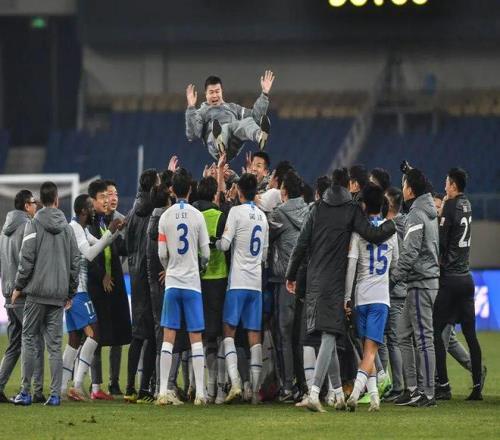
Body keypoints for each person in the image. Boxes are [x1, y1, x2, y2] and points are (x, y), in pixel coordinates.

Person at [286, 168, 395, 413]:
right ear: (347, 186)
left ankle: (336, 393)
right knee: (328, 335)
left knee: (330, 336)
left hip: (314, 281)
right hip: (335, 283)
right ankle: (315, 393)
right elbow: (372, 234)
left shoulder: (316, 209)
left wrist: (291, 276)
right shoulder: (351, 209)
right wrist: (391, 225)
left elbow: (301, 244)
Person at [13, 182, 79, 406]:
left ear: (41, 200)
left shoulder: (33, 224)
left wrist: (18, 286)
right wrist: (70, 291)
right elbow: (75, 262)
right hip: (58, 295)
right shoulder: (67, 229)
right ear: (57, 200)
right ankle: (54, 395)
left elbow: (26, 259)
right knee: (55, 345)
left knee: (29, 339)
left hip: (36, 293)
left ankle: (26, 392)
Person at [156, 169, 211, 406]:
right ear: (190, 189)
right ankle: (200, 394)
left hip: (173, 283)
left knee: (168, 337)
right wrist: (200, 266)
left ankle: (162, 391)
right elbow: (206, 253)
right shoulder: (197, 216)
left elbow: (161, 253)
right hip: (192, 284)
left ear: (172, 190)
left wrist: (169, 268)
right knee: (195, 338)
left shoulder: (165, 217)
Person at [61, 194, 123, 401]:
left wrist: (115, 231)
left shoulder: (82, 229)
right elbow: (89, 254)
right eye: (90, 207)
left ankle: (62, 387)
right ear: (83, 211)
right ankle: (78, 385)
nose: (93, 210)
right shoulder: (74, 229)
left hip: (73, 292)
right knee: (95, 334)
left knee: (74, 339)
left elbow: (101, 244)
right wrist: (109, 234)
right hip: (78, 290)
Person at [344, 183, 399, 412]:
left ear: (364, 206)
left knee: (367, 350)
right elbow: (395, 266)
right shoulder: (391, 233)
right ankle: (357, 394)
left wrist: (346, 298)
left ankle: (374, 397)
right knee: (371, 351)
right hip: (379, 298)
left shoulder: (359, 233)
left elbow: (351, 267)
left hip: (360, 297)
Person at [216, 173, 269, 404]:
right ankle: (255, 392)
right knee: (254, 335)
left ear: (238, 191)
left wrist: (215, 242)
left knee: (228, 331)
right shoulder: (263, 217)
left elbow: (225, 245)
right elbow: (264, 255)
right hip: (255, 284)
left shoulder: (235, 212)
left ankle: (236, 383)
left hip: (237, 281)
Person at [434, 168, 484, 401]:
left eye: (447, 182)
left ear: (453, 185)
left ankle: (443, 385)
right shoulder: (467, 204)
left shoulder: (451, 206)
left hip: (450, 279)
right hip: (466, 278)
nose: (445, 186)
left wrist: (442, 212)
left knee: (435, 331)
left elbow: (441, 243)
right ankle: (477, 386)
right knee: (470, 335)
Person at [391, 168, 440, 408]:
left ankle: (428, 394)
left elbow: (410, 253)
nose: (402, 188)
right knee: (403, 334)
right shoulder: (427, 210)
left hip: (421, 282)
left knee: (423, 339)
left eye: (404, 184)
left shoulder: (417, 214)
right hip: (422, 281)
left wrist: (393, 278)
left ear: (410, 190)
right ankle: (413, 389)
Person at [87, 179, 132, 400]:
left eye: (110, 195)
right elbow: (87, 256)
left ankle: (113, 383)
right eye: (104, 196)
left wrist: (128, 235)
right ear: (93, 200)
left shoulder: (110, 221)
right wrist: (102, 274)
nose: (108, 200)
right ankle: (94, 383)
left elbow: (118, 248)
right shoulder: (88, 223)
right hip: (97, 287)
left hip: (115, 285)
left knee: (118, 335)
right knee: (94, 336)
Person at [0, 190, 45, 403]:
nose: (36, 206)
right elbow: (27, 262)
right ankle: (35, 391)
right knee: (34, 340)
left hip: (8, 294)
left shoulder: (4, 230)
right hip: (22, 293)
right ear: (27, 206)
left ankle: (1, 384)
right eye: (33, 202)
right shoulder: (28, 226)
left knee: (15, 344)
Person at [268, 170, 309, 401]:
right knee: (300, 337)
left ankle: (286, 386)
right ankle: (303, 384)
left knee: (284, 334)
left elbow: (266, 235)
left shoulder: (279, 214)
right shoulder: (310, 211)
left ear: (283, 191)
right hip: (306, 281)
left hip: (287, 281)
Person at [193, 176, 229, 404]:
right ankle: (221, 389)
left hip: (198, 280)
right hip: (219, 278)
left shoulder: (193, 215)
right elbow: (227, 248)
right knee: (222, 334)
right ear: (215, 193)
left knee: (203, 335)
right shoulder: (220, 216)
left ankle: (207, 387)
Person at [124, 169, 159, 404]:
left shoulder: (132, 212)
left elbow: (126, 245)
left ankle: (129, 387)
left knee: (137, 335)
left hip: (135, 276)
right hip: (151, 276)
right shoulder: (155, 211)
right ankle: (145, 388)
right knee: (153, 336)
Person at [185, 72, 274, 161]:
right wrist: (191, 107)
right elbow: (193, 135)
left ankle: (259, 136)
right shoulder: (201, 112)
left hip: (233, 144)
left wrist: (264, 94)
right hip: (215, 146)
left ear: (221, 91)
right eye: (211, 92)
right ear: (206, 94)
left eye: (217, 91)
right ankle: (219, 142)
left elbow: (256, 117)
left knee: (248, 121)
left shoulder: (233, 108)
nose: (215, 95)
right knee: (224, 128)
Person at [379, 187, 407, 402]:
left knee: (393, 340)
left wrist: (389, 282)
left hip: (393, 290)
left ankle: (398, 386)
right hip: (398, 289)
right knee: (391, 339)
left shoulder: (392, 228)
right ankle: (395, 384)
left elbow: (396, 263)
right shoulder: (406, 224)